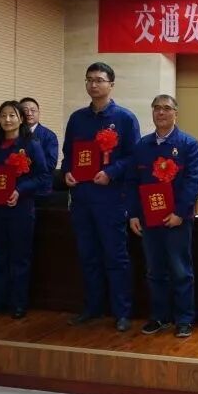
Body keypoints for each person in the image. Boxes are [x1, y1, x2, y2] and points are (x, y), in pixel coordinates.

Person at [61, 62, 140, 332]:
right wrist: (67, 172)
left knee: (116, 257)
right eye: (89, 80)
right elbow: (69, 154)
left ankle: (122, 312)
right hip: (82, 197)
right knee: (88, 255)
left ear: (111, 85)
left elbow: (133, 158)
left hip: (111, 198)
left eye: (99, 80)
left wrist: (111, 172)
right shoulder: (77, 119)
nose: (93, 84)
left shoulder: (125, 119)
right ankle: (92, 308)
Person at [127, 95, 198, 338]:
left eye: (166, 108)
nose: (161, 113)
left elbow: (193, 182)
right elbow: (133, 182)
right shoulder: (142, 145)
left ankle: (184, 319)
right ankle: (159, 316)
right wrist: (133, 214)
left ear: (175, 113)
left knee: (181, 271)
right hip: (149, 220)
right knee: (154, 270)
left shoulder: (189, 144)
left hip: (177, 220)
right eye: (157, 108)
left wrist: (180, 212)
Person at [0, 100, 49, 319]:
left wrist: (20, 190)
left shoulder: (31, 144)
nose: (7, 120)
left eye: (12, 115)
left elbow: (43, 176)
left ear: (21, 119)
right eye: (3, 115)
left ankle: (19, 303)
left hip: (20, 209)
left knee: (19, 258)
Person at [18, 97, 58, 202]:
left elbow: (51, 164)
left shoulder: (49, 135)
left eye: (33, 110)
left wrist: (27, 165)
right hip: (17, 189)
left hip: (40, 189)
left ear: (38, 113)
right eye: (25, 110)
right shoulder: (14, 135)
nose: (29, 113)